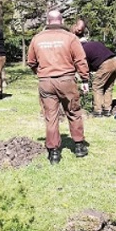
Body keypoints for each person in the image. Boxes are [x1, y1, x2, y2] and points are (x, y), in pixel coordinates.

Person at [27, 10, 90, 164]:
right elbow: (80, 60)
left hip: (46, 82)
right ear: (61, 21)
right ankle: (79, 146)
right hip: (66, 80)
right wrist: (84, 79)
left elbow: (31, 61)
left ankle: (54, 153)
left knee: (51, 116)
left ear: (47, 22)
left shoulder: (37, 39)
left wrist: (41, 73)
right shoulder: (70, 38)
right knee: (74, 111)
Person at [73, 19, 116, 117]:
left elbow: (84, 65)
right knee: (108, 87)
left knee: (96, 86)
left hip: (106, 64)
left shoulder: (82, 49)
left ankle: (97, 111)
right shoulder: (93, 44)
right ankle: (107, 110)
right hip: (115, 60)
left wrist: (84, 81)